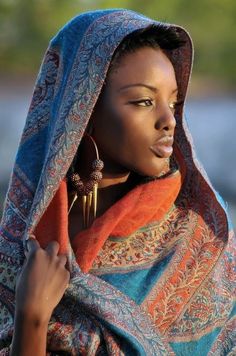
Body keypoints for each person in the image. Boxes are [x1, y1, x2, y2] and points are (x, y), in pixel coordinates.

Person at [0, 8, 235, 356]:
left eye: (174, 102)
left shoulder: (204, 243)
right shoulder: (24, 234)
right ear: (84, 111)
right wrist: (29, 315)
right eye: (144, 101)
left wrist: (34, 320)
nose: (169, 120)